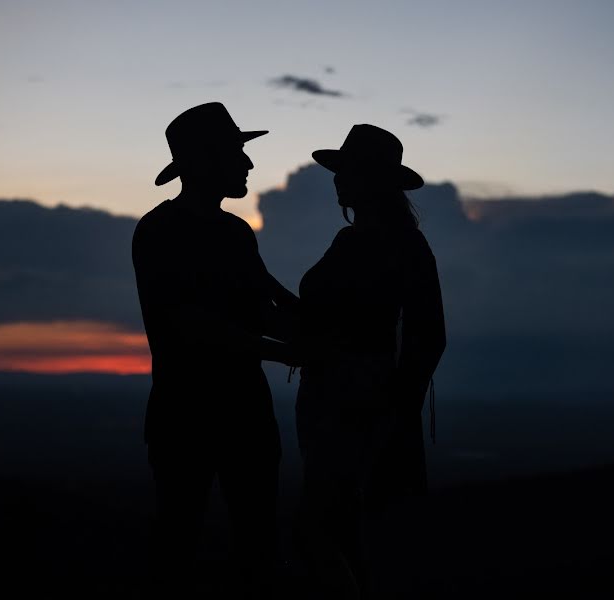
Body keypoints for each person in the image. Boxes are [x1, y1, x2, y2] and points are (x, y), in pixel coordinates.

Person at [132, 102, 298, 598]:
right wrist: (288, 351)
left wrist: (315, 337)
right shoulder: (160, 231)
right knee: (182, 547)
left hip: (241, 413)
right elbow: (188, 325)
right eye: (237, 153)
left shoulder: (235, 231)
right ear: (207, 161)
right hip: (188, 415)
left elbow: (262, 305)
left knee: (254, 544)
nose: (248, 164)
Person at [294, 124, 446, 597]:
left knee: (331, 529)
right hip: (332, 398)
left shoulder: (400, 244)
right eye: (339, 172)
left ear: (373, 180)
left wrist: (396, 409)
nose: (338, 181)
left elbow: (430, 336)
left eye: (348, 172)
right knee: (337, 527)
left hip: (357, 403)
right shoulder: (354, 240)